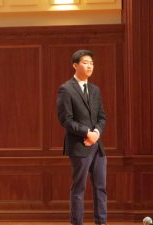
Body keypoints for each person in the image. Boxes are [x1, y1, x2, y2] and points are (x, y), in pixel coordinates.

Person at [57, 49, 107, 225]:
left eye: (92, 63)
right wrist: (87, 133)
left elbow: (102, 117)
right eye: (86, 62)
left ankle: (101, 222)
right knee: (79, 188)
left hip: (97, 146)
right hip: (79, 145)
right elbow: (66, 120)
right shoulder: (66, 89)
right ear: (75, 65)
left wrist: (97, 134)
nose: (90, 66)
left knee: (100, 188)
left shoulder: (95, 90)